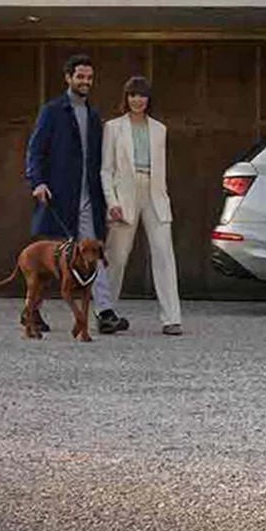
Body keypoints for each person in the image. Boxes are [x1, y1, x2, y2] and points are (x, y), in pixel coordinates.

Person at [25, 53, 128, 335]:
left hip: (88, 199)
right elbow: (35, 150)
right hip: (58, 196)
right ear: (68, 78)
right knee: (50, 260)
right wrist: (38, 181)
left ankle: (105, 312)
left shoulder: (94, 116)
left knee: (93, 252)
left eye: (89, 77)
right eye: (80, 76)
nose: (85, 82)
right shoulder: (52, 111)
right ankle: (31, 312)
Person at [101, 75, 183, 336]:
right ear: (126, 98)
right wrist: (112, 202)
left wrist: (163, 196)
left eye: (142, 95)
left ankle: (172, 318)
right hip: (124, 193)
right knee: (117, 256)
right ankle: (104, 313)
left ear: (149, 99)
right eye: (133, 95)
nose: (137, 100)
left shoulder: (160, 129)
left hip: (155, 194)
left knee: (164, 254)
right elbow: (106, 170)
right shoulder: (113, 127)